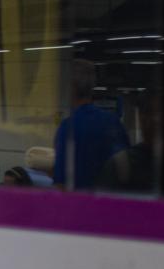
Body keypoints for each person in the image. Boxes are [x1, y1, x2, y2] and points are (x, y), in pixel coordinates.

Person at [52, 59, 128, 191]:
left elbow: (61, 186)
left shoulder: (67, 128)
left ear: (72, 87)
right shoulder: (113, 123)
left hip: (80, 207)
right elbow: (125, 172)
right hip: (111, 205)